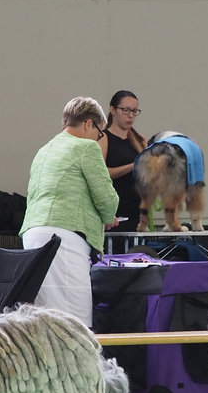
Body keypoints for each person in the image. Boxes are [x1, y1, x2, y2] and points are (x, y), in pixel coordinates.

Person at [20, 97, 119, 327]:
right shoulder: (86, 147)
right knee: (75, 323)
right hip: (64, 239)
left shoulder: (44, 150)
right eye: (99, 132)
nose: (99, 138)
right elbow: (107, 199)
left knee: (44, 318)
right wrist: (107, 217)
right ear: (88, 124)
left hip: (33, 235)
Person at [99, 90, 147, 230]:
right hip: (114, 213)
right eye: (125, 110)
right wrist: (134, 165)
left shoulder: (140, 140)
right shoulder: (103, 138)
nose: (130, 115)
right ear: (113, 110)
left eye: (134, 111)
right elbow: (101, 174)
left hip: (137, 210)